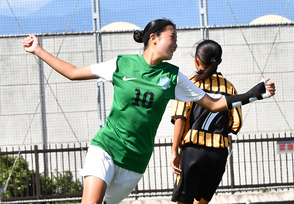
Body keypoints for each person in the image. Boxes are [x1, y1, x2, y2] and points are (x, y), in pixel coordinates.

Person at [22, 19, 275, 204]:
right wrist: (38, 49)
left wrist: (254, 94)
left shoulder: (173, 76)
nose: (176, 43)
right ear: (154, 37)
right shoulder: (121, 64)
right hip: (106, 148)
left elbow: (213, 104)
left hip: (134, 162)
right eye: (172, 37)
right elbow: (73, 72)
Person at [169, 39, 262, 204]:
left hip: (193, 152)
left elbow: (180, 119)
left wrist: (174, 151)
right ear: (219, 62)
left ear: (197, 60)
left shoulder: (190, 83)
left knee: (183, 201)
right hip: (218, 155)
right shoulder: (229, 88)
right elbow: (236, 124)